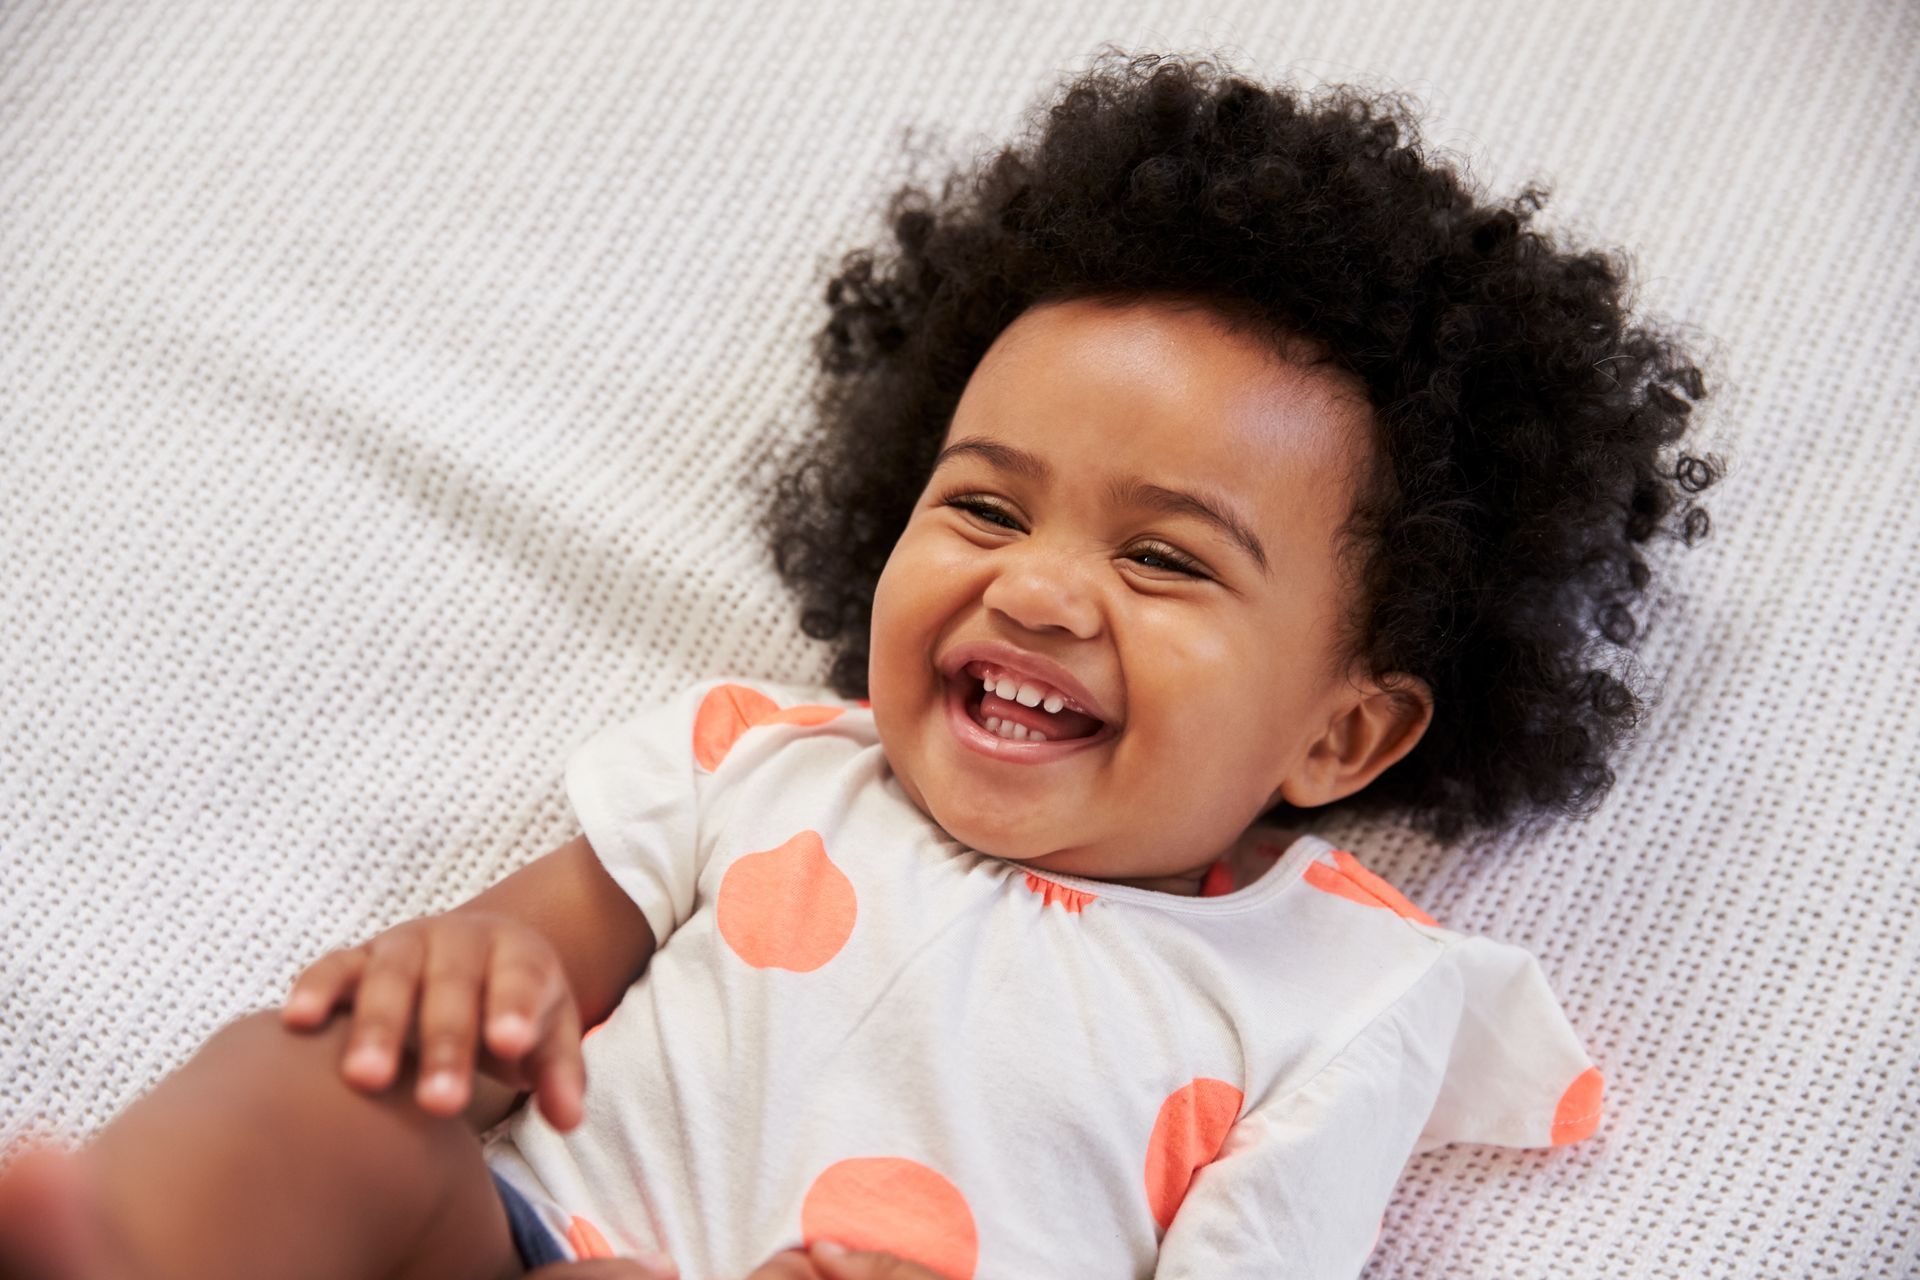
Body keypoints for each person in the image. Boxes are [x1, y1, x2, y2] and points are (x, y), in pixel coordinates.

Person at [0, 46, 1722, 1280]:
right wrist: (465, 983)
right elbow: (510, 972)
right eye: (984, 507)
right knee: (342, 1089)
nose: (1039, 593)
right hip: (509, 1246)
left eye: (1160, 555)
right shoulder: (755, 764)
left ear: (1345, 730)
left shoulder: (1344, 995)